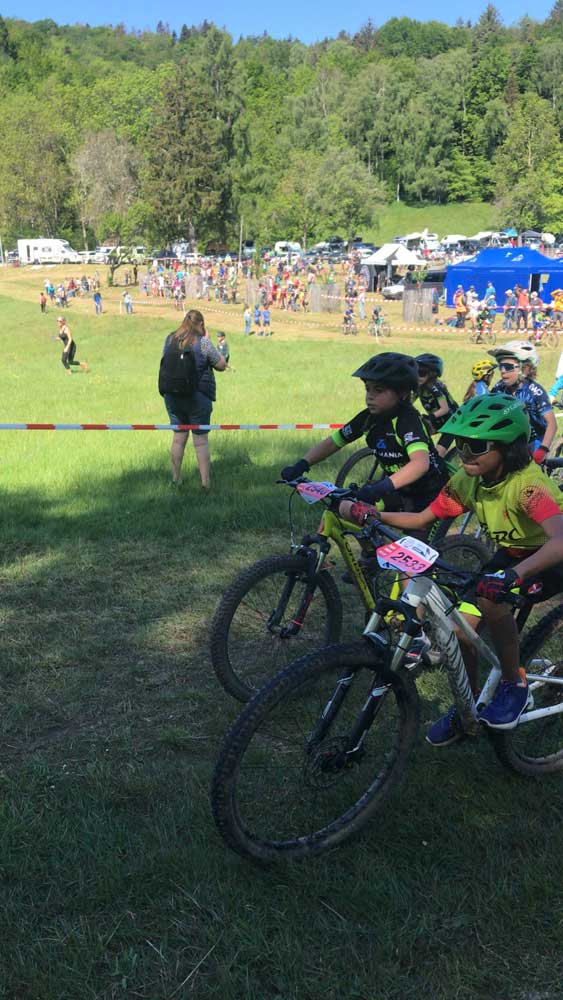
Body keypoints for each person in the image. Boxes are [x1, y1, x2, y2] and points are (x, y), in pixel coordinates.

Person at [339, 394, 563, 743]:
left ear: (507, 448)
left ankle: (514, 686)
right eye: (460, 443)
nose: (464, 453)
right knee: (460, 632)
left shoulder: (529, 488)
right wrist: (373, 514)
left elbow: (559, 541)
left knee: (491, 600)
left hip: (551, 557)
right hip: (513, 553)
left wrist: (513, 576)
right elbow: (422, 518)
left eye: (476, 446)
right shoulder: (469, 480)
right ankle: (468, 709)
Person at [280, 352, 449, 524]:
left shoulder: (407, 420)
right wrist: (302, 464)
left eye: (379, 390)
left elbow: (420, 464)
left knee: (413, 540)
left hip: (430, 495)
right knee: (348, 509)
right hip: (400, 492)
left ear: (403, 393)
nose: (370, 396)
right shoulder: (367, 418)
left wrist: (379, 488)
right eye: (368, 389)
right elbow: (333, 443)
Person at [160, 309, 226, 488]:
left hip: (172, 396)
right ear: (201, 324)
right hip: (198, 396)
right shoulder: (203, 342)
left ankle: (176, 479)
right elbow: (221, 365)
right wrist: (211, 343)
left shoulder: (170, 339)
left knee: (178, 439)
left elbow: (164, 360)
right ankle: (205, 483)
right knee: (201, 442)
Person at [488, 341, 556, 461]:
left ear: (525, 369)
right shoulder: (499, 387)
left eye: (508, 367)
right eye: (500, 366)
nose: (502, 370)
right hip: (511, 439)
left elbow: (552, 424)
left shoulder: (535, 391)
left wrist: (543, 449)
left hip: (535, 441)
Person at [414, 354, 457, 457]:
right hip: (438, 421)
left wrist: (430, 417)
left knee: (438, 455)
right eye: (415, 372)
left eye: (422, 373)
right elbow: (407, 403)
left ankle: (438, 462)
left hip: (452, 422)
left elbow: (445, 409)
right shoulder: (419, 387)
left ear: (432, 375)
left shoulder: (435, 387)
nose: (418, 376)